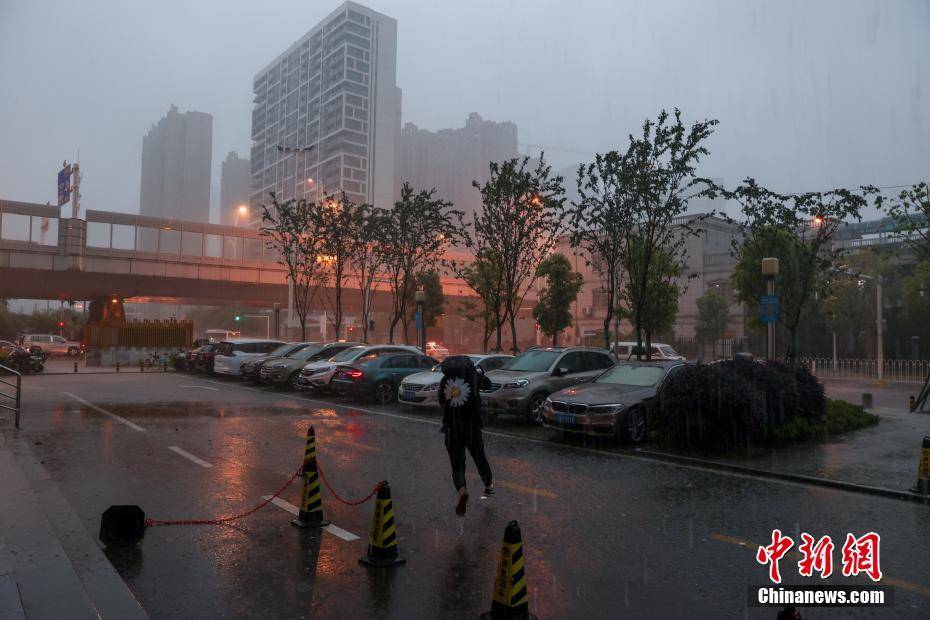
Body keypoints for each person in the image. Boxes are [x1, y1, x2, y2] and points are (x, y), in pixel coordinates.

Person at [438, 355, 493, 516]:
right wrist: (476, 375)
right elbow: (488, 383)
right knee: (479, 457)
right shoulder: (474, 377)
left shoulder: (445, 381)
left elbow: (441, 400)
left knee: (457, 466)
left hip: (452, 429)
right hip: (472, 428)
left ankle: (462, 490)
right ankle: (488, 485)